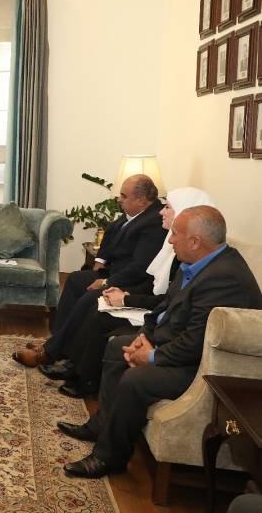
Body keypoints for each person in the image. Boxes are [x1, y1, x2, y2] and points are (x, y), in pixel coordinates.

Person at [56, 206, 262, 479]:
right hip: (176, 345)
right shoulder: (196, 263)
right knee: (117, 346)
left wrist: (151, 356)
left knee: (136, 379)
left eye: (175, 235)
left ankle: (109, 458)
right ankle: (100, 426)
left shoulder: (225, 278)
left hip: (202, 368)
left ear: (195, 241)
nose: (170, 240)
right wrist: (144, 338)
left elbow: (195, 343)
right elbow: (164, 308)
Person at [46, 188, 214, 398]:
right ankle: (72, 363)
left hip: (160, 314)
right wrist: (122, 292)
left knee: (99, 312)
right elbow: (154, 285)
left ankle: (85, 378)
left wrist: (126, 298)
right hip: (152, 303)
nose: (161, 211)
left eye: (168, 207)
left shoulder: (187, 254)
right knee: (97, 300)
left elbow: (163, 297)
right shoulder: (177, 245)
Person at [14, 174, 167, 367]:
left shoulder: (154, 223)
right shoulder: (136, 213)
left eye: (124, 196)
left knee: (90, 297)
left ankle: (49, 353)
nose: (119, 199)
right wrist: (100, 261)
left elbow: (139, 268)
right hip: (115, 272)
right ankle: (59, 342)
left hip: (132, 282)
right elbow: (111, 231)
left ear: (142, 200)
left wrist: (106, 282)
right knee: (75, 280)